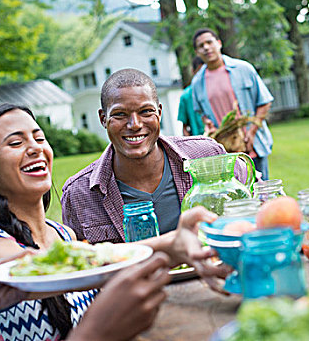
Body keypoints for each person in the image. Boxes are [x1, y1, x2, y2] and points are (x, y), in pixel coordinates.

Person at [0, 102, 213, 340]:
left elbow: (90, 258)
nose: (35, 149)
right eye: (16, 143)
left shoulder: (63, 235)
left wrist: (175, 243)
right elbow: (70, 267)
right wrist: (169, 243)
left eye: (39, 138)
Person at [61, 68, 248, 244]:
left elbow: (259, 205)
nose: (134, 124)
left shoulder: (206, 155)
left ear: (159, 112)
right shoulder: (79, 193)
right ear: (103, 119)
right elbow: (81, 264)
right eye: (120, 114)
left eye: (145, 112)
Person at [190, 28, 274, 180]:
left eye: (209, 42)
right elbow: (201, 113)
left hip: (252, 145)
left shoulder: (243, 69)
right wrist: (207, 123)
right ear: (197, 52)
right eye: (201, 46)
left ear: (219, 43)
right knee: (236, 199)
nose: (206, 47)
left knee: (262, 195)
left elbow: (264, 102)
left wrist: (252, 132)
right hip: (226, 153)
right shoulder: (197, 83)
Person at [178, 56, 205, 136]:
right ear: (193, 71)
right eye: (199, 72)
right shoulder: (186, 96)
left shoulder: (214, 90)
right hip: (199, 141)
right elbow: (185, 128)